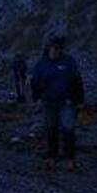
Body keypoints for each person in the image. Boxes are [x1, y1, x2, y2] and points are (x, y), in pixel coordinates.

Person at [31, 35, 85, 170]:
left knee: (68, 130)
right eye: (54, 48)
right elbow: (35, 83)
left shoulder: (69, 61)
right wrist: (36, 99)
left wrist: (79, 101)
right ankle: (51, 158)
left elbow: (77, 81)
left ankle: (70, 160)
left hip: (66, 102)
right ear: (49, 48)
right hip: (48, 103)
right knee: (51, 130)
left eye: (59, 48)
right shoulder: (41, 64)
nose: (57, 50)